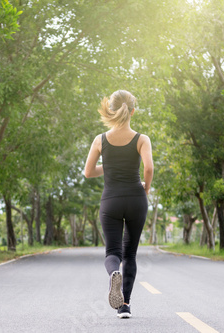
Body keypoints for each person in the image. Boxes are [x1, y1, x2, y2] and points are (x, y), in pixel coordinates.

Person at [84, 90, 154, 319]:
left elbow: (88, 172)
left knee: (113, 252)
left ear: (112, 111)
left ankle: (114, 272)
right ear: (133, 111)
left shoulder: (100, 140)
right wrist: (146, 187)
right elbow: (149, 168)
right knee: (130, 254)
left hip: (111, 201)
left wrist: (111, 166)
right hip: (136, 198)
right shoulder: (141, 139)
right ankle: (125, 306)